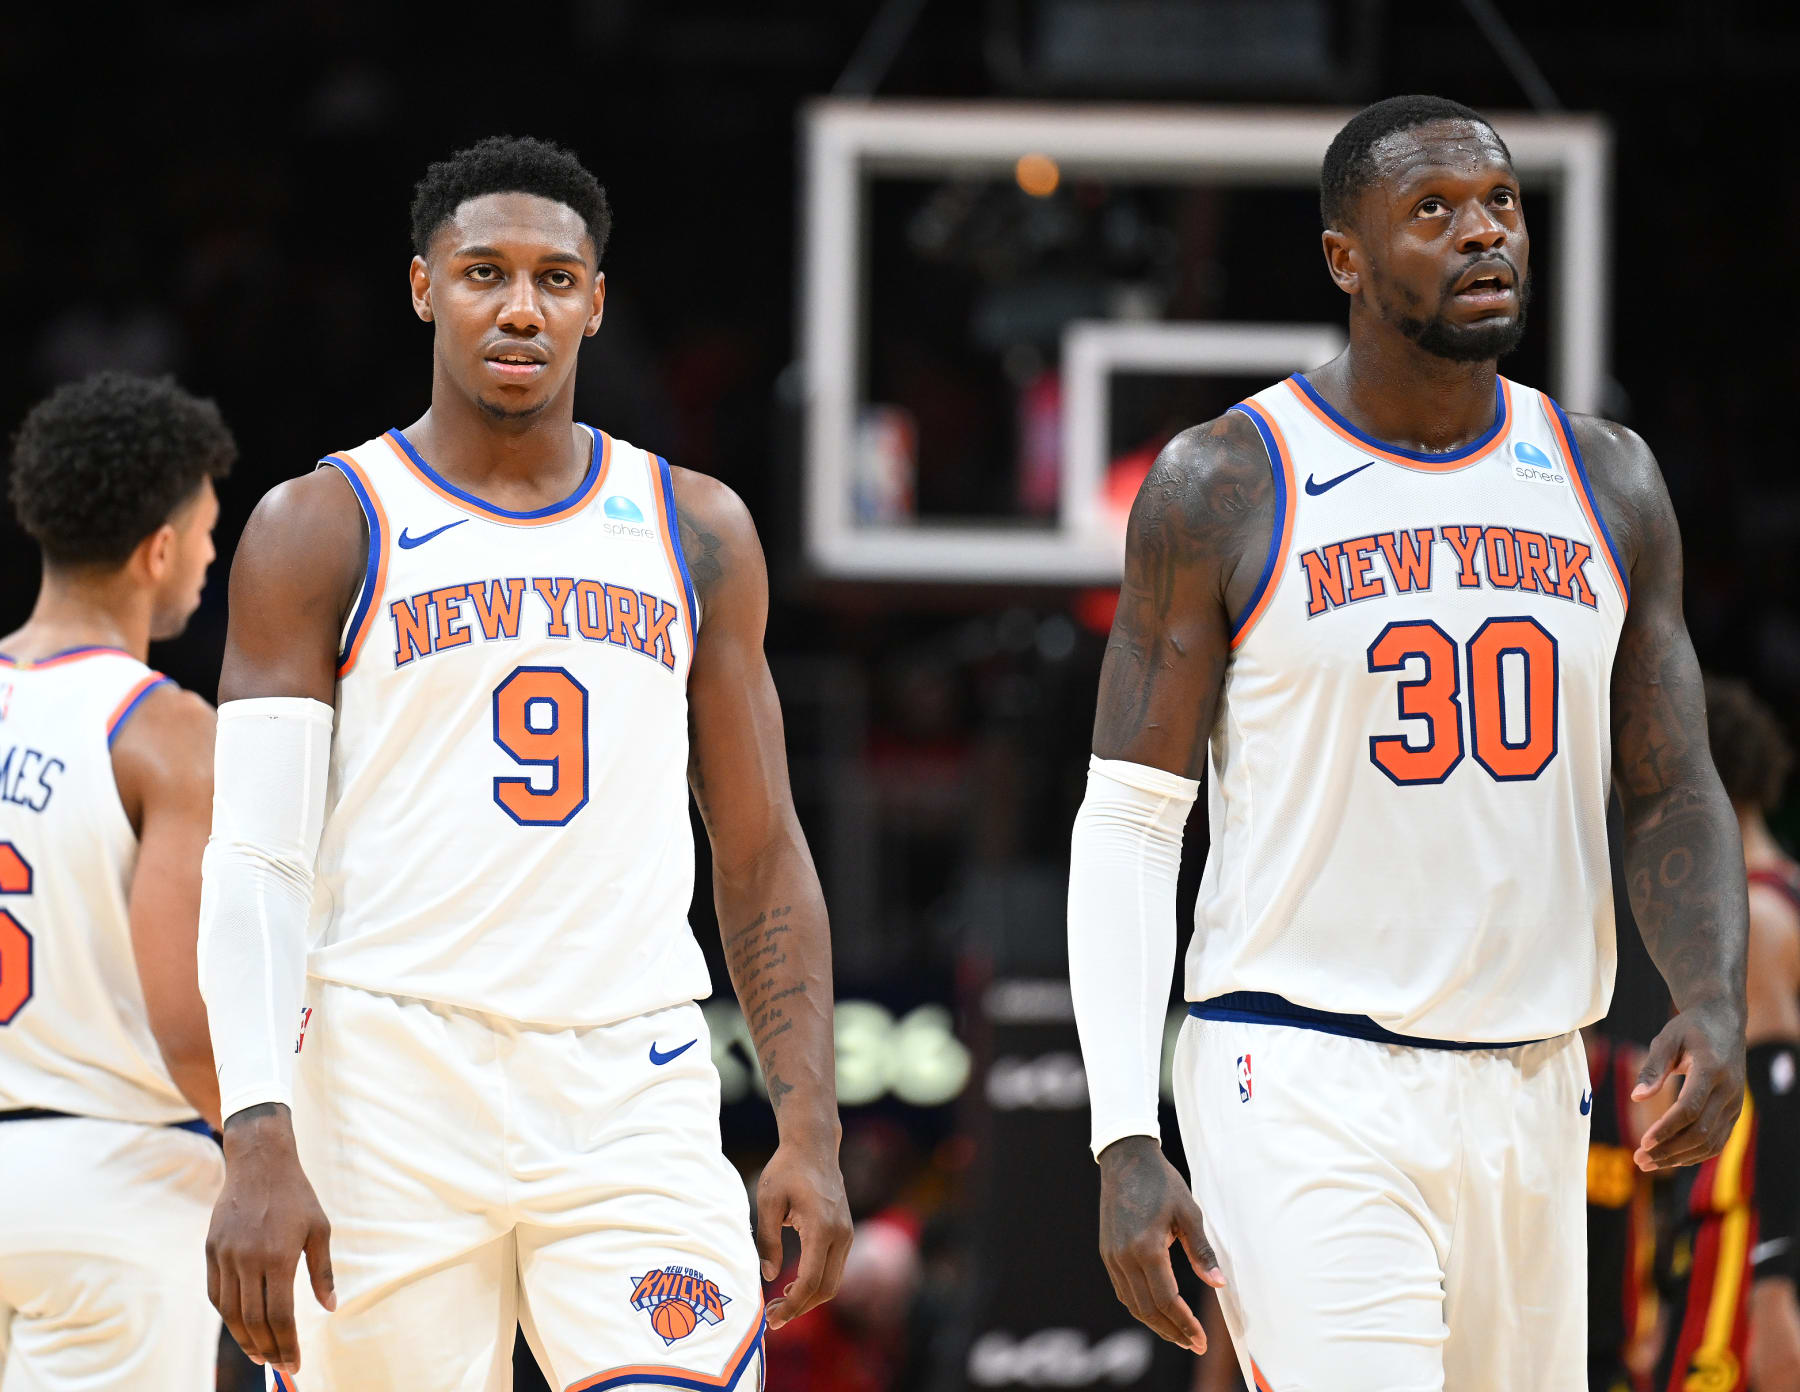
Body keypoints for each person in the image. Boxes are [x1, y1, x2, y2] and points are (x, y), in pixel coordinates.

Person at [1066, 94, 1748, 1391]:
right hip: (1301, 1069)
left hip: (1536, 1078)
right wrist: (1119, 1133)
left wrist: (1711, 996)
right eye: (1431, 213)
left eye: (1498, 203)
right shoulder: (1226, 482)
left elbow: (1671, 785)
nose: (1482, 234)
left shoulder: (1608, 479)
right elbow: (1132, 823)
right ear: (1347, 259)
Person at [198, 136, 852, 1390]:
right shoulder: (321, 526)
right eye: (483, 271)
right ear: (421, 288)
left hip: (631, 1080)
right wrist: (257, 1130)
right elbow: (260, 858)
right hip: (383, 1079)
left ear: (597, 304)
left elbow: (762, 847)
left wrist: (808, 1125)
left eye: (556, 279)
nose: (519, 305)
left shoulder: (697, 527)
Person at [0, 372, 233, 1387]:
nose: (216, 556)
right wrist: (286, 1150)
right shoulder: (165, 729)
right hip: (115, 1184)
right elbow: (186, 1022)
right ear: (161, 549)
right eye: (210, 531)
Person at [1653, 675, 1800, 1392]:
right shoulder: (1781, 895)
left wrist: (1773, 1287)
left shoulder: (1760, 918)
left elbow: (1778, 1111)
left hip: (1748, 1234)